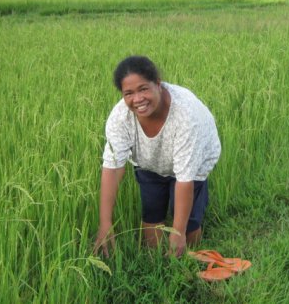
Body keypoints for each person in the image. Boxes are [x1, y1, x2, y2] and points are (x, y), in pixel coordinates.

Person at [93, 56, 221, 257]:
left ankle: (191, 258)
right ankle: (155, 262)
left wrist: (178, 233)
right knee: (152, 218)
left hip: (195, 158)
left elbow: (184, 179)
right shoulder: (120, 118)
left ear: (158, 84)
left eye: (143, 89)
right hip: (149, 160)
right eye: (129, 93)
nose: (137, 99)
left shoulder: (186, 116)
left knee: (187, 226)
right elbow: (113, 166)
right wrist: (105, 223)